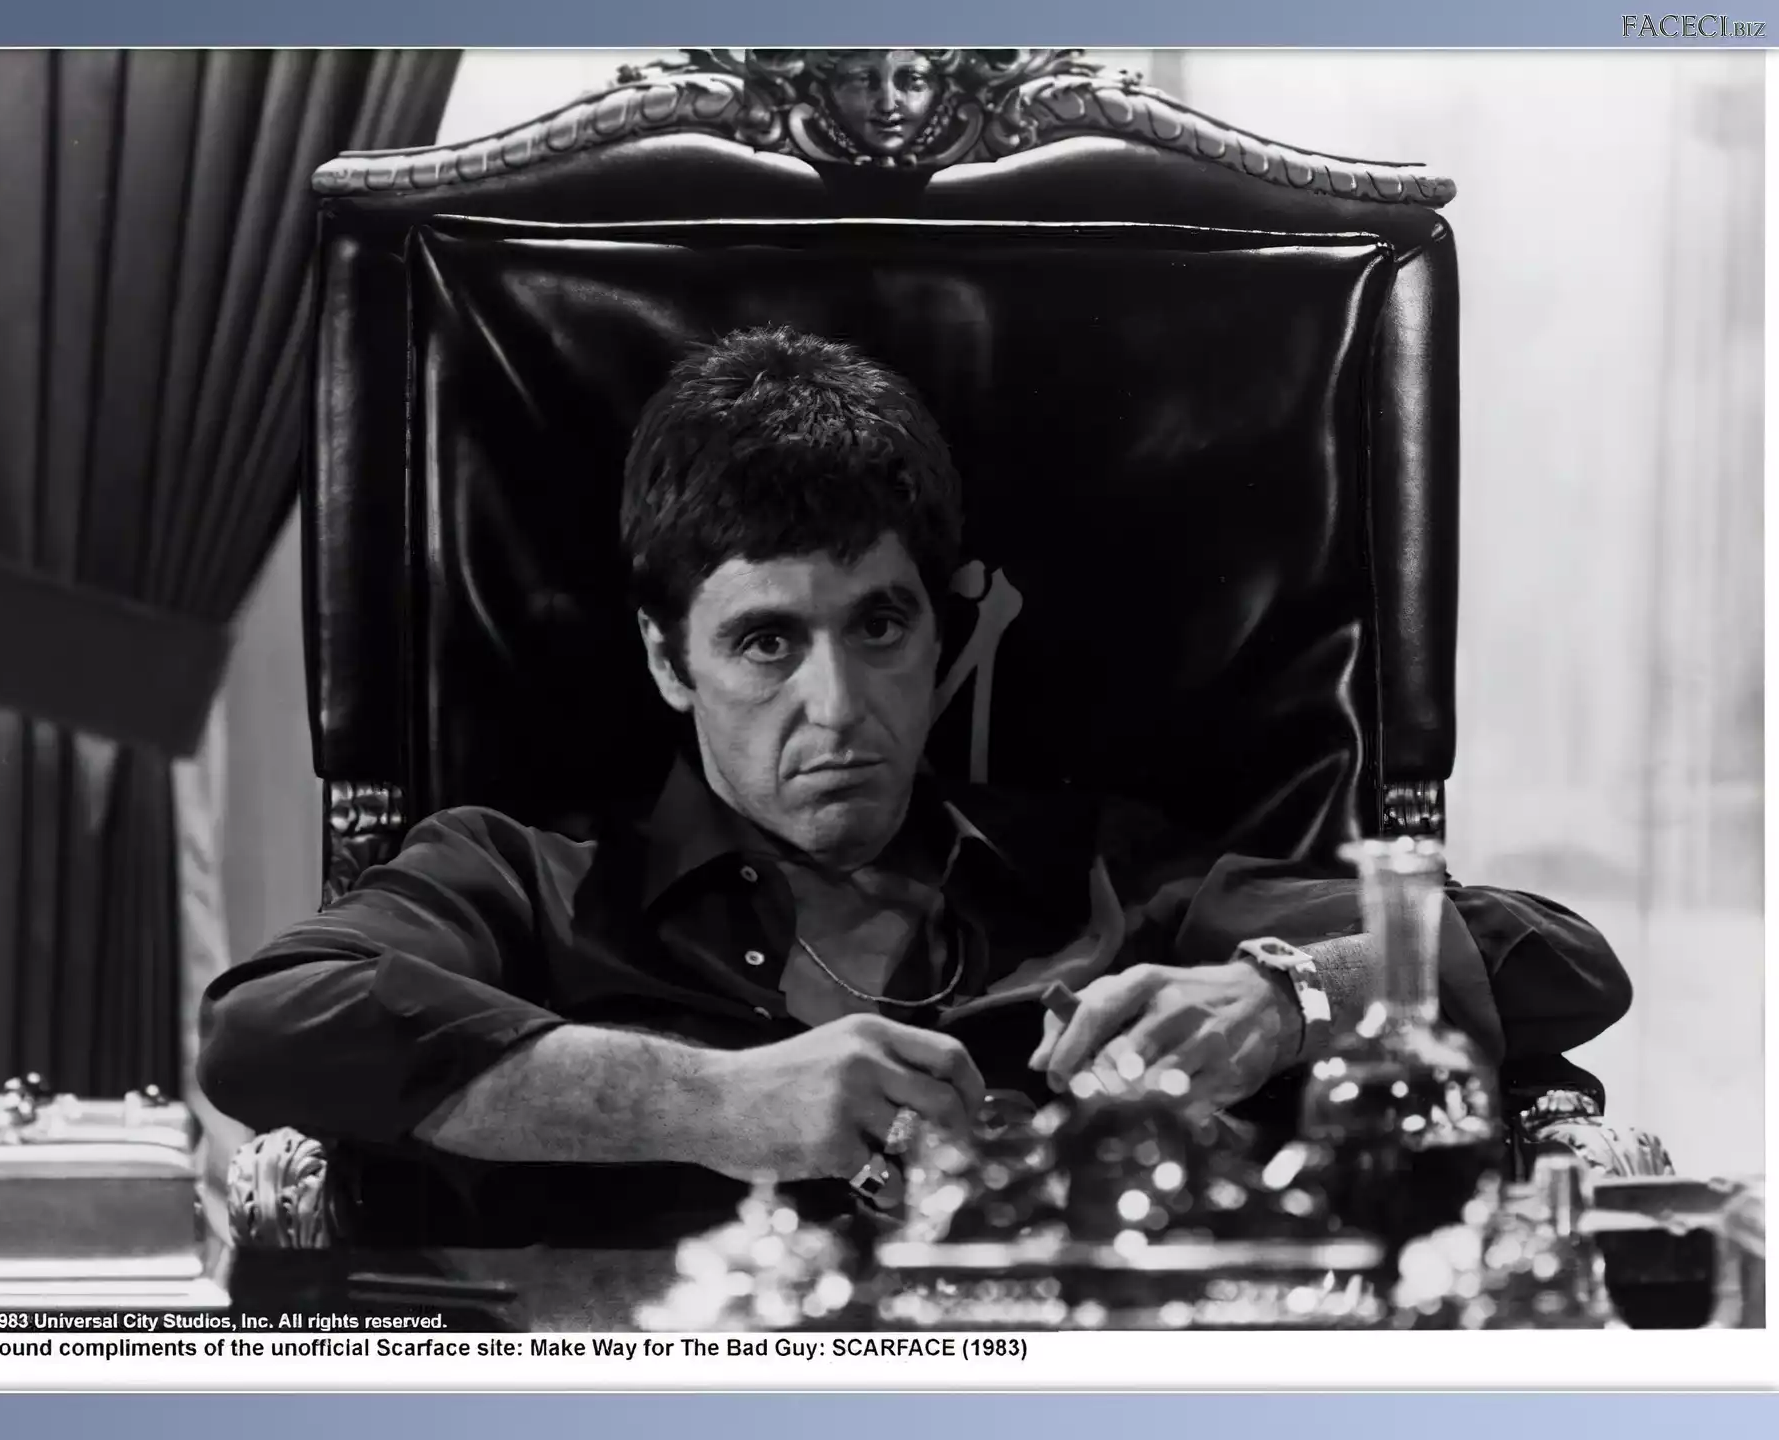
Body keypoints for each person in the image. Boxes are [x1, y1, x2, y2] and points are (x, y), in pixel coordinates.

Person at [197, 327, 1631, 1246]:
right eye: (766, 642)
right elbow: (270, 1026)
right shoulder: (526, 881)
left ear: (939, 630)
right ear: (667, 659)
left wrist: (1281, 1001)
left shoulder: (1102, 874)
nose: (838, 708)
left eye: (878, 626)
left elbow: (1551, 959)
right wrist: (709, 1105)